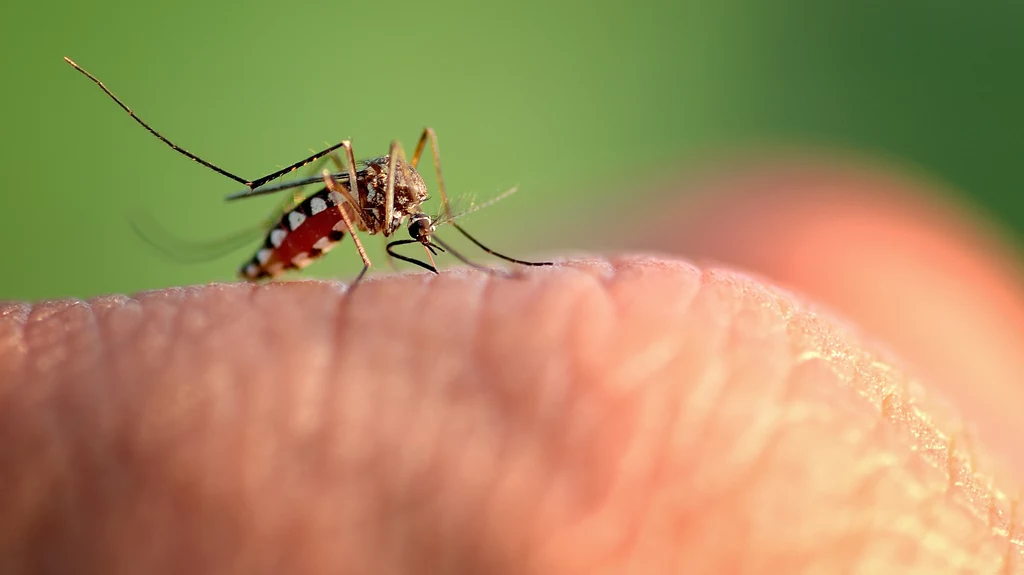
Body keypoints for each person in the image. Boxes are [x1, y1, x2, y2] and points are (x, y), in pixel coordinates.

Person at [2, 159, 1022, 572]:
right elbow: (359, 193)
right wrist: (340, 236)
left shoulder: (410, 209)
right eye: (416, 217)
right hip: (311, 214)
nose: (416, 223)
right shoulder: (362, 210)